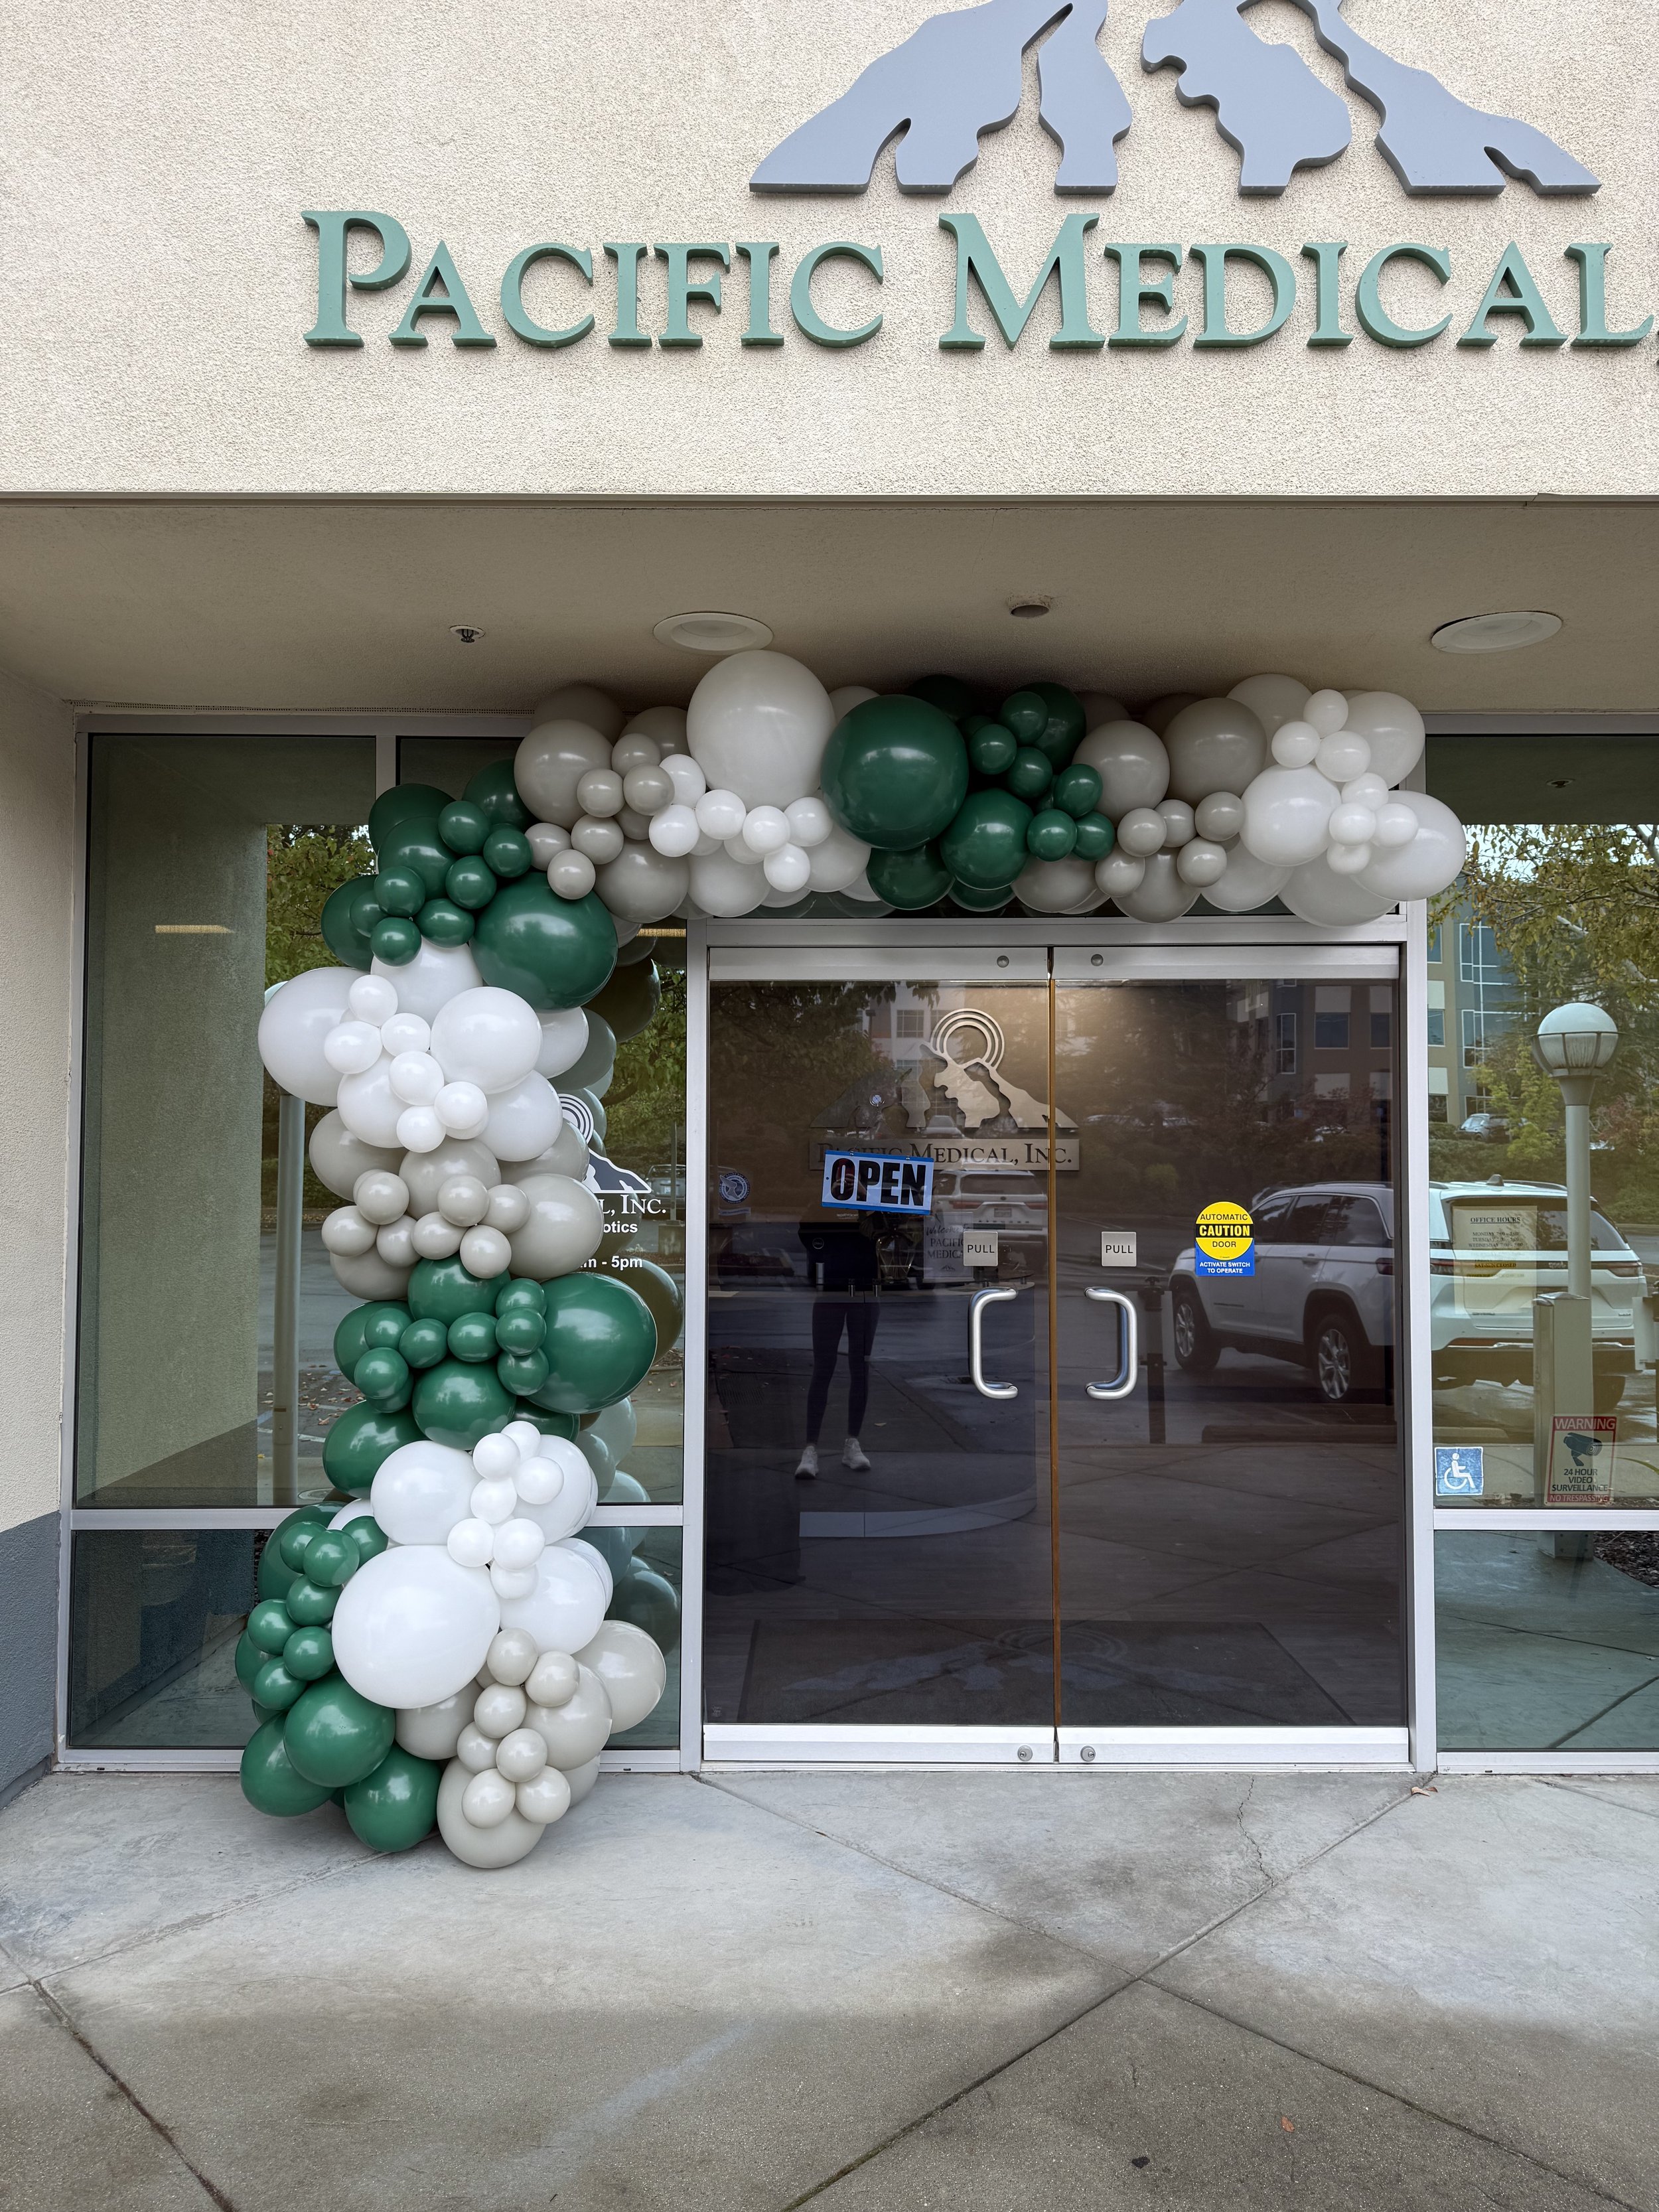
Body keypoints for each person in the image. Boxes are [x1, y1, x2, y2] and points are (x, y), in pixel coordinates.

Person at [795, 1217, 881, 1479]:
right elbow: (807, 1232)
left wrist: (868, 1202)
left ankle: (852, 1442)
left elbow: (891, 1231)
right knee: (823, 1368)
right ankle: (810, 1449)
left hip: (865, 1291)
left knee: (860, 1367)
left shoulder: (872, 1204)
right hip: (830, 1292)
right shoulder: (826, 1203)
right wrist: (827, 1202)